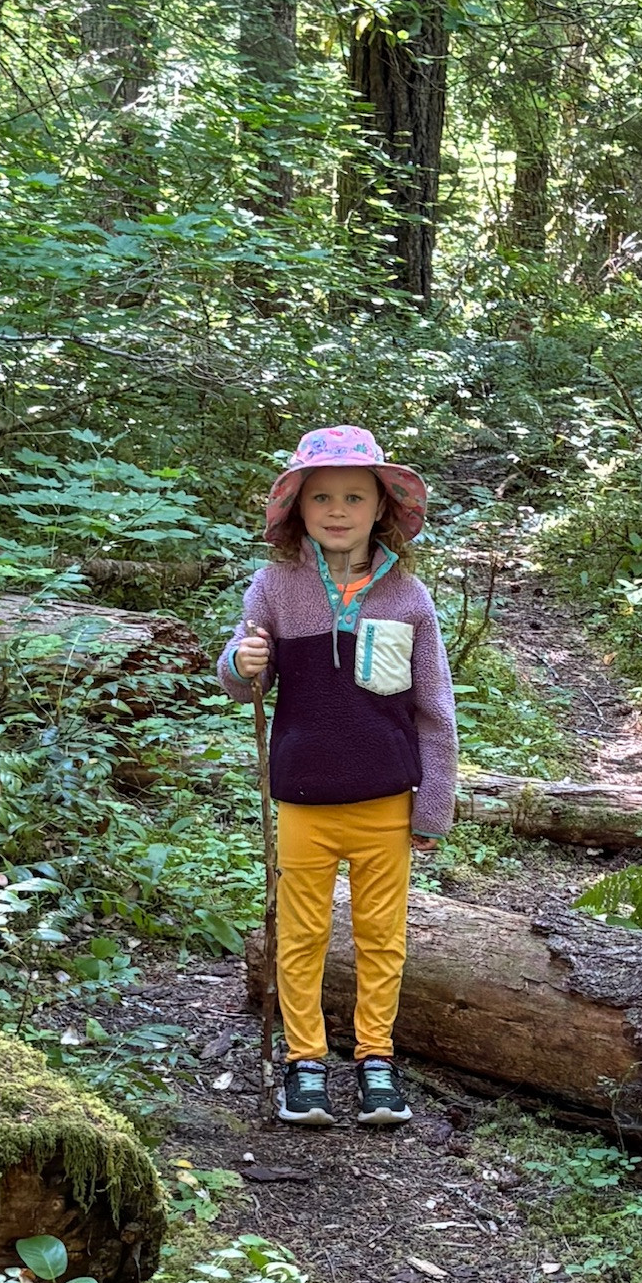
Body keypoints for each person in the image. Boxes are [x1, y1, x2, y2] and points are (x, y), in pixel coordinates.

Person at [217, 426, 458, 1128]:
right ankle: (305, 1063)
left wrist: (433, 808)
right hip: (303, 798)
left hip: (386, 800)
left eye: (354, 497)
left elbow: (435, 708)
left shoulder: (408, 597)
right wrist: (241, 661)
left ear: (382, 507)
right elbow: (242, 674)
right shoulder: (275, 585)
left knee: (382, 936)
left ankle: (376, 1060)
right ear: (297, 507)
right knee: (302, 935)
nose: (338, 510)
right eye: (322, 497)